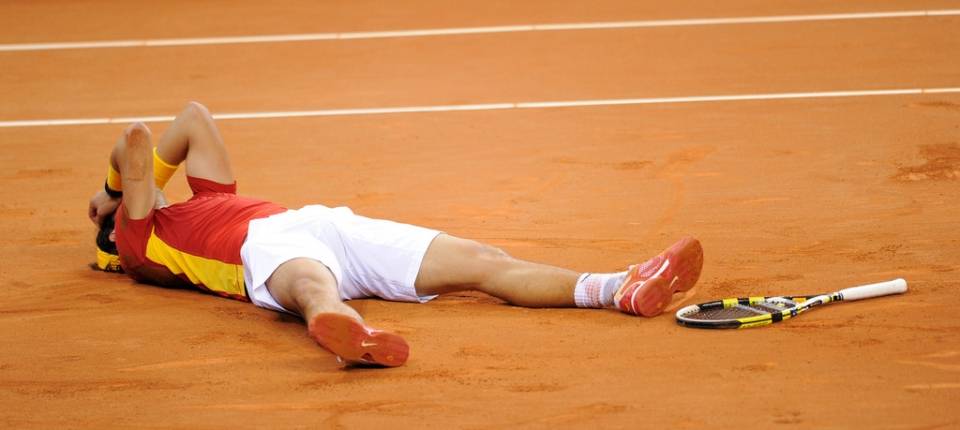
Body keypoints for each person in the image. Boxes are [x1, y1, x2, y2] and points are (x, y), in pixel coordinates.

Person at [89, 102, 703, 368]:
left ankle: (616, 288)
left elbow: (194, 117)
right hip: (264, 252)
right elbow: (139, 138)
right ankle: (347, 334)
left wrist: (117, 193)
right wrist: (115, 196)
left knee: (478, 260)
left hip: (324, 223)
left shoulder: (205, 200)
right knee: (311, 286)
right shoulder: (144, 238)